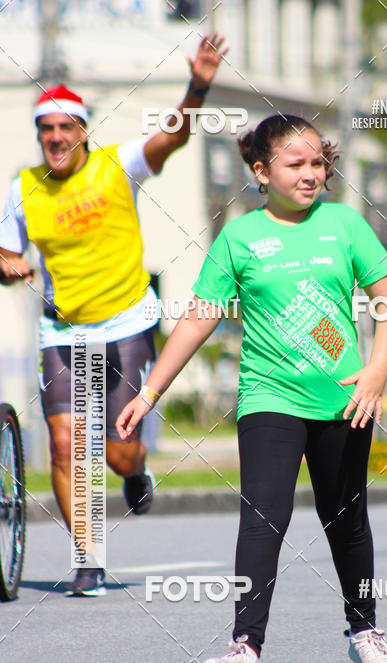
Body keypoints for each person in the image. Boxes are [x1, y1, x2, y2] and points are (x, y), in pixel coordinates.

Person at [117, 113, 387, 663]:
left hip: (343, 400)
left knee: (345, 520)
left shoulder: (344, 225)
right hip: (268, 397)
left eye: (317, 163)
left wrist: (376, 373)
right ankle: (245, 649)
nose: (310, 174)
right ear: (261, 172)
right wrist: (150, 391)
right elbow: (201, 317)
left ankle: (365, 631)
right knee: (262, 518)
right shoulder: (240, 238)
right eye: (295, 165)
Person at [0, 33, 226, 596]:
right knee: (63, 443)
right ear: (39, 136)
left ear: (82, 131)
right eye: (45, 129)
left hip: (127, 321)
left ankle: (136, 471)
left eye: (65, 127)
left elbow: (172, 139)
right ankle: (87, 555)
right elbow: (6, 253)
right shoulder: (22, 189)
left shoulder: (117, 164)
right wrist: (8, 268)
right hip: (61, 328)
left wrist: (197, 86)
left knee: (117, 450)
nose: (55, 137)